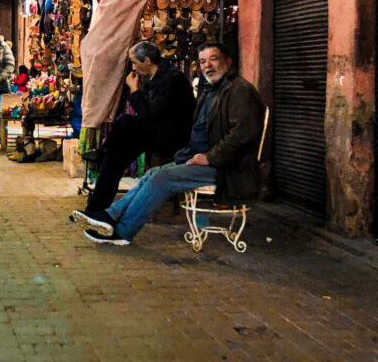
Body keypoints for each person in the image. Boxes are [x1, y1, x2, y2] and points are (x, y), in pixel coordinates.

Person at [74, 42, 265, 245]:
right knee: (151, 173)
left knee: (161, 178)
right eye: (202, 61)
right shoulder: (212, 90)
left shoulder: (239, 91)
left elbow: (242, 136)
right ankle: (109, 215)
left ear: (228, 61)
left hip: (229, 169)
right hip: (200, 156)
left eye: (213, 59)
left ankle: (122, 232)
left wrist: (208, 158)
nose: (207, 65)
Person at [74, 41, 195, 216]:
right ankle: (95, 209)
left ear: (147, 60)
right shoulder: (155, 77)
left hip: (172, 136)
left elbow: (148, 115)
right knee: (115, 158)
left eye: (135, 63)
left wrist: (135, 90)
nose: (134, 68)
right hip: (156, 131)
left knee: (124, 121)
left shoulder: (171, 79)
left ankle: (103, 151)